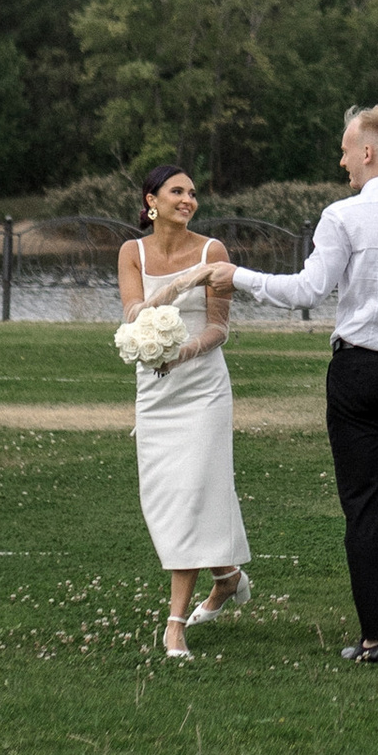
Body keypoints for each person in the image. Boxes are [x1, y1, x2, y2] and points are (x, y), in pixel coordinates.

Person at [208, 103, 378, 665]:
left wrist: (239, 277)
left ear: (370, 152)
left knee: (364, 502)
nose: (342, 160)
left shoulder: (342, 216)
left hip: (360, 372)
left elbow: (309, 291)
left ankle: (374, 637)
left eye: (347, 150)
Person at [116, 160, 251, 663]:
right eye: (177, 192)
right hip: (155, 390)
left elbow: (219, 327)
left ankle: (174, 624)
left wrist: (186, 353)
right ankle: (227, 577)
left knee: (196, 488)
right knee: (166, 494)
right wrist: (174, 288)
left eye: (192, 193)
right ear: (151, 201)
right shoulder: (132, 252)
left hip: (202, 388)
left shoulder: (213, 251)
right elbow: (132, 315)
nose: (188, 200)